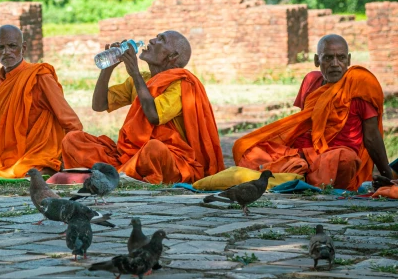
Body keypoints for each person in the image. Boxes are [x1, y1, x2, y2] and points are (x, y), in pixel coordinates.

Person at [61, 31, 223, 184]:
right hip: (131, 155)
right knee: (73, 139)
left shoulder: (179, 84)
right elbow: (99, 104)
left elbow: (154, 116)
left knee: (154, 148)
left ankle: (117, 174)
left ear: (173, 56)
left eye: (161, 40)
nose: (152, 40)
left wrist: (135, 73)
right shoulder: (142, 80)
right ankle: (123, 172)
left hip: (167, 158)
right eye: (156, 37)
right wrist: (107, 69)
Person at [234, 34, 390, 191]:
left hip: (333, 157)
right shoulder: (311, 80)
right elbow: (302, 125)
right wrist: (292, 154)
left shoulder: (359, 87)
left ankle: (300, 174)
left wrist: (387, 173)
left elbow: (371, 137)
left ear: (348, 60)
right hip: (303, 154)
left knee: (346, 159)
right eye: (328, 58)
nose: (335, 64)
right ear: (317, 60)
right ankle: (301, 171)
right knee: (248, 150)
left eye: (341, 57)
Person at [0, 25, 82, 177]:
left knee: (22, 171)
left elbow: (69, 120)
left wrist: (69, 154)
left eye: (12, 46)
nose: (6, 52)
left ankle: (49, 166)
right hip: (10, 153)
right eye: (1, 47)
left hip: (42, 150)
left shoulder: (40, 76)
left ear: (23, 48)